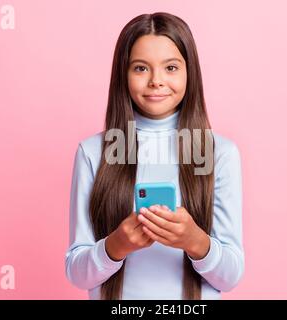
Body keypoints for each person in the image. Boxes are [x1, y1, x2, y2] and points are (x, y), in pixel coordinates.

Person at [65, 12, 244, 300]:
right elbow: (77, 271)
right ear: (123, 74)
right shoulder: (93, 152)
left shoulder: (219, 153)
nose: (156, 81)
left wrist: (195, 242)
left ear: (190, 72)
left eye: (171, 67)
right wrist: (116, 246)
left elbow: (231, 275)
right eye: (140, 68)